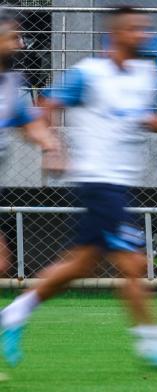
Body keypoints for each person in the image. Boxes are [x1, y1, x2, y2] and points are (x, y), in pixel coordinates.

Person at [0, 6, 157, 368]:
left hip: (119, 182)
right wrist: (54, 146)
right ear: (116, 34)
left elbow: (136, 118)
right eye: (135, 29)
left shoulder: (145, 73)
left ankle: (13, 315)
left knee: (80, 265)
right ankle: (155, 343)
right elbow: (49, 103)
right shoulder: (88, 74)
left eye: (145, 28)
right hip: (98, 182)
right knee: (133, 263)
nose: (144, 35)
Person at [0, 10, 59, 277]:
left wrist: (50, 146)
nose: (20, 44)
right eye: (13, 37)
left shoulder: (12, 81)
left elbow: (28, 122)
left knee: (1, 264)